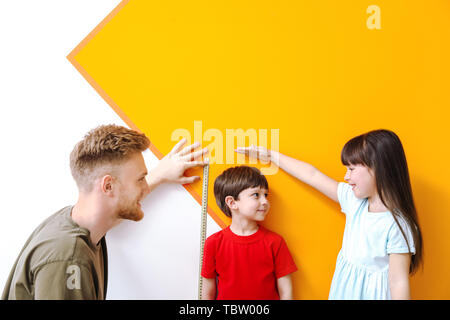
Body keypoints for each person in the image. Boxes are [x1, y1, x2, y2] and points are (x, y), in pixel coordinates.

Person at [2, 124, 208, 300]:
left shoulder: (74, 221)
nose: (145, 187)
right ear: (108, 186)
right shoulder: (69, 258)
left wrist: (159, 175)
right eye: (140, 179)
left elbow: (118, 206)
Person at [235, 129, 423, 300]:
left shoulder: (398, 224)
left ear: (378, 169)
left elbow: (398, 283)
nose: (346, 176)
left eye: (351, 169)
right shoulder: (355, 202)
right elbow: (312, 175)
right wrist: (270, 155)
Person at [201, 165, 297, 300]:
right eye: (256, 195)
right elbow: (208, 293)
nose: (265, 201)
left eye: (265, 195)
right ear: (232, 202)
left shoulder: (275, 242)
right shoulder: (213, 243)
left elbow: (286, 293)